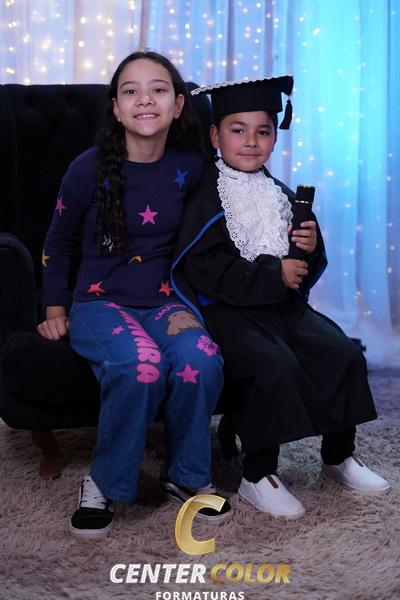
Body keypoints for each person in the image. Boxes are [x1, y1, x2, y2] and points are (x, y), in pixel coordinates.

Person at [171, 75, 390, 519]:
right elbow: (203, 267)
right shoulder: (204, 197)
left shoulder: (279, 194)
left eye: (263, 131)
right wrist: (275, 273)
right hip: (228, 313)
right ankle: (258, 474)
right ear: (215, 135)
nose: (251, 141)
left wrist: (309, 246)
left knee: (343, 354)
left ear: (274, 137)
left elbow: (301, 264)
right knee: (273, 366)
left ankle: (338, 455)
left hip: (280, 307)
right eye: (238, 130)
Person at [37, 51, 232, 539]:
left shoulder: (193, 167)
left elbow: (230, 215)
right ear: (116, 108)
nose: (145, 99)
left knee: (203, 358)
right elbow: (57, 243)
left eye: (158, 89)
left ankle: (187, 476)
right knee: (140, 366)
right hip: (100, 304)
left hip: (167, 302)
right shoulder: (86, 170)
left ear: (178, 105)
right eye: (131, 91)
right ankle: (103, 482)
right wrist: (54, 307)